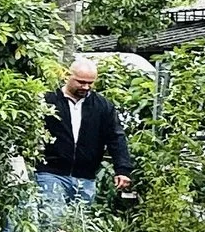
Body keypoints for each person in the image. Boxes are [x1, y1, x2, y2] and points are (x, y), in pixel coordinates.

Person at [36, 56, 133, 210]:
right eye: (81, 82)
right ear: (68, 76)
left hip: (86, 177)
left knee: (78, 226)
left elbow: (116, 137)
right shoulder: (48, 101)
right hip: (51, 173)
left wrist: (122, 170)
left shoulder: (102, 106)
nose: (86, 87)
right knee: (52, 221)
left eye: (90, 83)